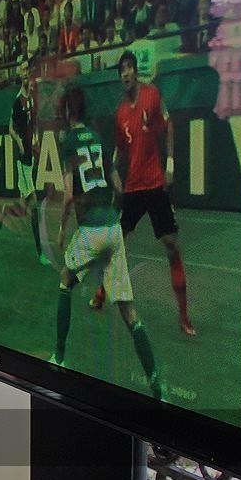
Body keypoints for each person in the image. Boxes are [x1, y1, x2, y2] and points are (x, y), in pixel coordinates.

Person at [51, 85, 163, 400]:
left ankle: (58, 357)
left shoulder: (68, 141)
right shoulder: (98, 138)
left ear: (68, 111)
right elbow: (118, 186)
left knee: (65, 280)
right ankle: (155, 382)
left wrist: (61, 230)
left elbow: (69, 194)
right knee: (129, 312)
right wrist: (115, 218)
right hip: (113, 227)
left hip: (91, 231)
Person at [90, 51, 196, 336]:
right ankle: (101, 292)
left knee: (172, 246)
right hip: (133, 189)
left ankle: (184, 316)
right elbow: (119, 150)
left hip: (156, 185)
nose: (125, 74)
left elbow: (169, 126)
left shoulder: (152, 95)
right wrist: (112, 171)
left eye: (129, 68)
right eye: (121, 71)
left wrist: (170, 164)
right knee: (115, 243)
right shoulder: (120, 113)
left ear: (136, 71)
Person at [2, 63, 49, 266]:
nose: (25, 73)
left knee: (25, 207)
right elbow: (10, 128)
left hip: (31, 156)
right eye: (21, 71)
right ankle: (40, 252)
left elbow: (34, 122)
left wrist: (36, 138)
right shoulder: (17, 101)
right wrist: (20, 143)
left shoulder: (31, 97)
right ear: (18, 75)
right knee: (35, 207)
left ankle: (7, 210)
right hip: (23, 161)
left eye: (26, 70)